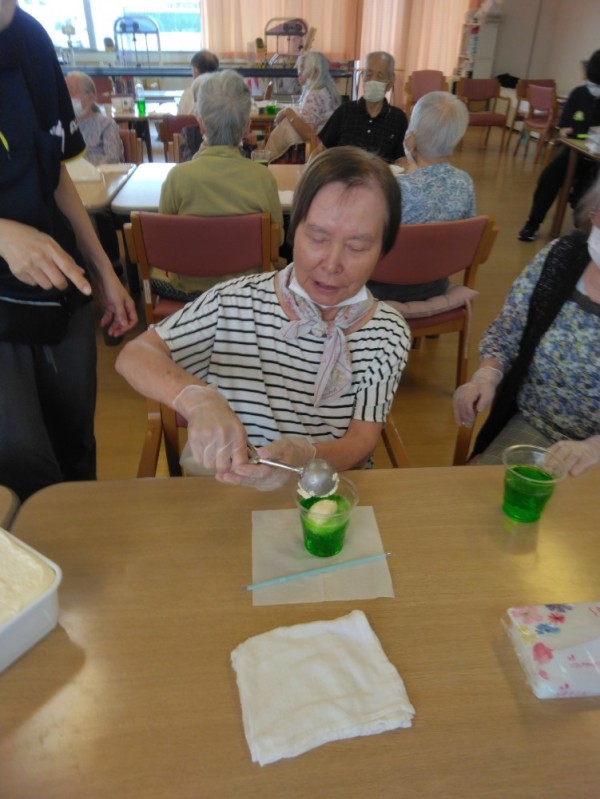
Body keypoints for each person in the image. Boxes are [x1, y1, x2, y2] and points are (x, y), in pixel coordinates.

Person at [115, 147, 412, 490]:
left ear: (383, 250)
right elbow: (134, 356)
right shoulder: (234, 302)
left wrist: (305, 457)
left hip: (327, 494)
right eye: (318, 238)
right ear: (293, 229)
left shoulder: (388, 333)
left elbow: (362, 442)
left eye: (357, 247)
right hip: (237, 491)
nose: (332, 264)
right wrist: (196, 398)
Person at [0, 0, 137, 501]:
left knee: (76, 452)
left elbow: (54, 169)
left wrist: (104, 270)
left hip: (61, 291)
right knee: (21, 470)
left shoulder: (31, 39)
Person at [453, 175, 600, 476]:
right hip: (536, 425)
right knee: (488, 497)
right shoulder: (562, 257)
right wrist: (486, 376)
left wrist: (594, 447)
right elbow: (507, 331)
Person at [152, 69, 284, 302]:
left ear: (201, 125)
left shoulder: (177, 178)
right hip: (249, 290)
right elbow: (277, 241)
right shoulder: (263, 178)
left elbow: (166, 244)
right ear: (247, 127)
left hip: (190, 291)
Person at [368, 90, 475, 302]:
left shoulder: (393, 188)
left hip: (381, 287)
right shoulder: (465, 183)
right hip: (435, 284)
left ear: (410, 140)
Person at [518, 50, 600, 242]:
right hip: (573, 154)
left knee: (586, 193)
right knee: (549, 178)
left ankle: (583, 233)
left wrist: (577, 130)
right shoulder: (579, 94)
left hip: (596, 162)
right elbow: (563, 129)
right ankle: (533, 223)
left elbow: (577, 129)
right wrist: (577, 131)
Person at [310, 51, 407, 164]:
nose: (373, 80)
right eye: (368, 75)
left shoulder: (398, 118)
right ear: (362, 77)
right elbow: (320, 150)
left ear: (390, 82)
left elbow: (401, 159)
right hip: (343, 172)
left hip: (378, 174)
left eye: (380, 76)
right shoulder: (345, 111)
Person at [264, 51, 341, 163]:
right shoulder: (327, 91)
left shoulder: (315, 95)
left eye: (303, 68)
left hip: (313, 152)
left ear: (315, 72)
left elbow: (308, 133)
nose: (299, 72)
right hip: (327, 149)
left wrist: (288, 112)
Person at [65, 71, 123, 165]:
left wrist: (87, 170)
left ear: (90, 97)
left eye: (71, 92)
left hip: (99, 172)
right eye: (64, 93)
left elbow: (113, 158)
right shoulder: (62, 126)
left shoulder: (106, 124)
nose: (66, 97)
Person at [177, 49, 220, 115]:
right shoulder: (225, 92)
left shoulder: (189, 94)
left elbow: (180, 118)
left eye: (192, 69)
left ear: (196, 70)